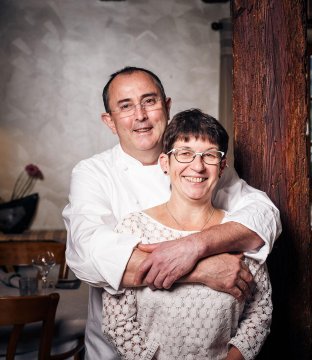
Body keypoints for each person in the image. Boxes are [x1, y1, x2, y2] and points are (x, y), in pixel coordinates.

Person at [63, 66, 281, 359]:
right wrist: (200, 270)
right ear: (110, 122)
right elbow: (89, 255)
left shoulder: (204, 166)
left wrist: (195, 245)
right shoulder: (92, 173)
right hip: (117, 353)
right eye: (125, 106)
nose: (140, 115)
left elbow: (264, 215)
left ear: (166, 107)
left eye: (149, 101)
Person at [102, 109, 272, 359]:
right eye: (185, 153)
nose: (198, 166)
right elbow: (118, 321)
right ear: (165, 163)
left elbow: (259, 312)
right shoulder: (134, 228)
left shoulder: (237, 231)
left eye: (210, 155)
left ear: (222, 166)